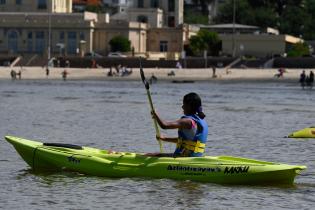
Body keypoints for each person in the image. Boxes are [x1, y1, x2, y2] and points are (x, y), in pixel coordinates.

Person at [151, 92, 208, 157]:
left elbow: (164, 125)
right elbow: (184, 141)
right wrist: (164, 138)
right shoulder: (200, 120)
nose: (182, 107)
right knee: (157, 154)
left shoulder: (187, 121)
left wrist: (156, 115)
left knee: (152, 155)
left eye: (184, 104)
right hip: (194, 158)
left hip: (184, 159)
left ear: (189, 106)